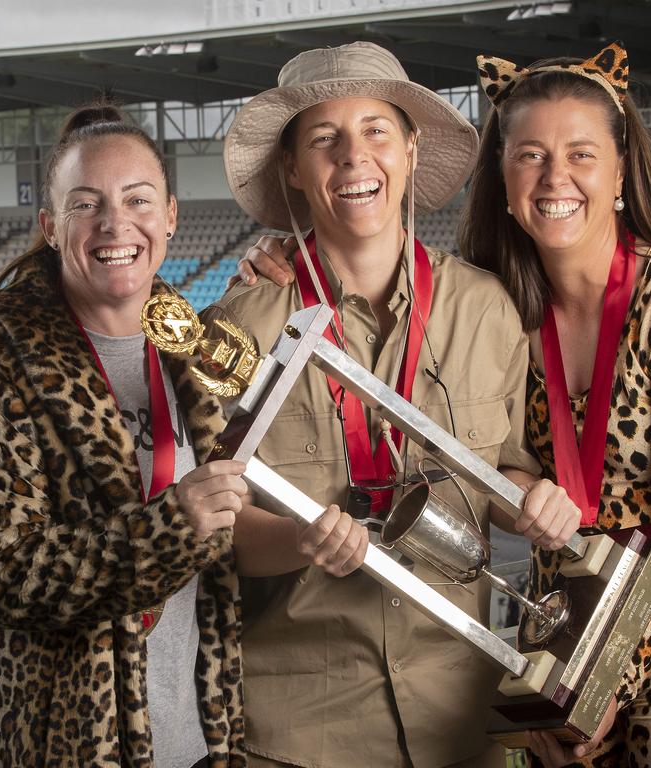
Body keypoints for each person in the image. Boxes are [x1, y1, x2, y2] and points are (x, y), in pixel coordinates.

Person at [210, 42, 581, 768]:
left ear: (411, 149)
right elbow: (211, 527)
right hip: (299, 734)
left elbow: (506, 475)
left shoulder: (485, 309)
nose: (354, 158)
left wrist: (541, 503)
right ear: (292, 168)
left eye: (377, 130)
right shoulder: (243, 328)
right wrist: (299, 542)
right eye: (324, 139)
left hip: (459, 719)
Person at [461, 43, 651, 766]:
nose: (555, 176)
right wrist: (290, 261)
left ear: (622, 170)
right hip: (566, 635)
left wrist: (597, 685)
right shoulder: (495, 310)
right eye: (530, 154)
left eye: (582, 154)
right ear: (502, 178)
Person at [0, 104, 248, 767]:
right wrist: (171, 524)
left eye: (137, 199)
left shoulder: (198, 354)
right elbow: (0, 575)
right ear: (51, 226)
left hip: (190, 738)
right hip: (53, 745)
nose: (114, 223)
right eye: (86, 204)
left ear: (171, 217)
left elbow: (224, 533)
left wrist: (307, 536)